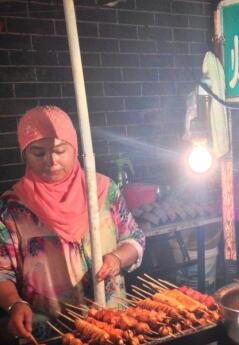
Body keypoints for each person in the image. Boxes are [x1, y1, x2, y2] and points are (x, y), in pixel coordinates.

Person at [0, 106, 146, 343]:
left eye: (60, 150)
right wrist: (14, 304)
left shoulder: (104, 191)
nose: (51, 160)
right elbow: (2, 272)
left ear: (74, 148)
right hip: (49, 330)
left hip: (113, 325)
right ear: (24, 153)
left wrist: (118, 258)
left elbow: (135, 237)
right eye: (38, 153)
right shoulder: (13, 208)